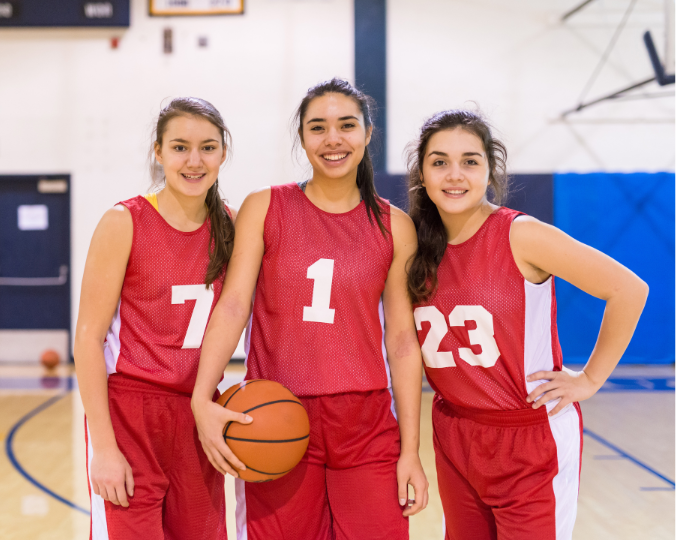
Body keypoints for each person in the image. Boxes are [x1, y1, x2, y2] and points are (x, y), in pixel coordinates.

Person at [191, 78, 429, 540]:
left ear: (367, 133)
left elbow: (401, 341)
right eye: (318, 128)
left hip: (366, 422)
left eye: (346, 126)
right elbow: (234, 304)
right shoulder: (266, 206)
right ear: (302, 137)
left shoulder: (394, 226)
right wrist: (203, 395)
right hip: (275, 412)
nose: (333, 139)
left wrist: (411, 451)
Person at [405, 109, 648, 540]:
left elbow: (628, 290)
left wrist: (590, 378)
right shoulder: (414, 244)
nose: (454, 174)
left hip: (529, 437)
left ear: (490, 171)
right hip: (454, 431)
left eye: (470, 161)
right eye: (439, 162)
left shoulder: (521, 235)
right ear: (422, 174)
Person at [74, 97, 236, 540]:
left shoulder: (234, 228)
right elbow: (87, 340)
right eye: (180, 147)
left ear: (224, 153)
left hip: (199, 412)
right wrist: (103, 447)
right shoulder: (124, 221)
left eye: (207, 147)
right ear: (158, 151)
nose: (194, 160)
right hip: (130, 413)